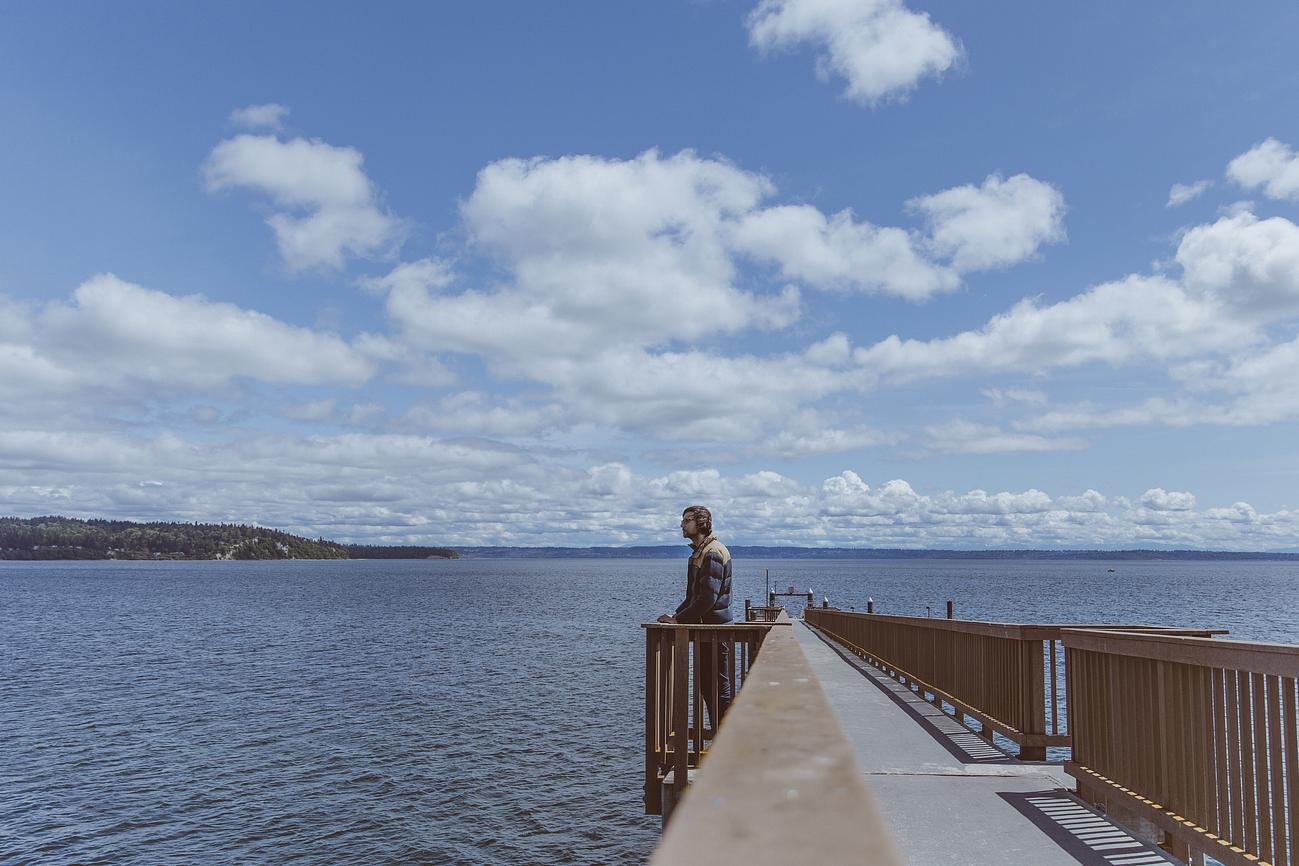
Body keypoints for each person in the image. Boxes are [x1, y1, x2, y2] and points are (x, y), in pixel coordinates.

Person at [657, 505, 733, 727]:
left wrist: (678, 620)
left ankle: (726, 740)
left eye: (687, 520)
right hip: (707, 630)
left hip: (715, 630)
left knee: (717, 686)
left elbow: (708, 598)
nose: (682, 524)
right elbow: (693, 598)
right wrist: (676, 615)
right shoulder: (699, 553)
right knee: (709, 685)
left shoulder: (712, 553)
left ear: (701, 523)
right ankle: (722, 739)